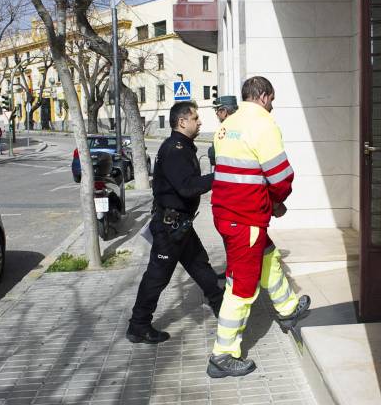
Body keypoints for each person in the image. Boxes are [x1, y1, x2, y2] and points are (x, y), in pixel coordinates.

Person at [206, 76, 310, 378]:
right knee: (241, 287)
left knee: (268, 257)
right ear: (264, 96)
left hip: (228, 215)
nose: (272, 106)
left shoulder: (226, 126)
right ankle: (222, 355)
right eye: (272, 100)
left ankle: (288, 307)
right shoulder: (263, 124)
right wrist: (277, 202)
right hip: (246, 218)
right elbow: (280, 177)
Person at [127, 101, 224, 344]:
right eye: (195, 118)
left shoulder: (183, 146)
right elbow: (187, 187)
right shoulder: (176, 149)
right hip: (169, 229)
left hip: (180, 226)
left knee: (200, 265)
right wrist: (219, 176)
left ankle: (222, 307)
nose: (199, 121)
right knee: (157, 277)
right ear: (182, 122)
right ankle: (138, 326)